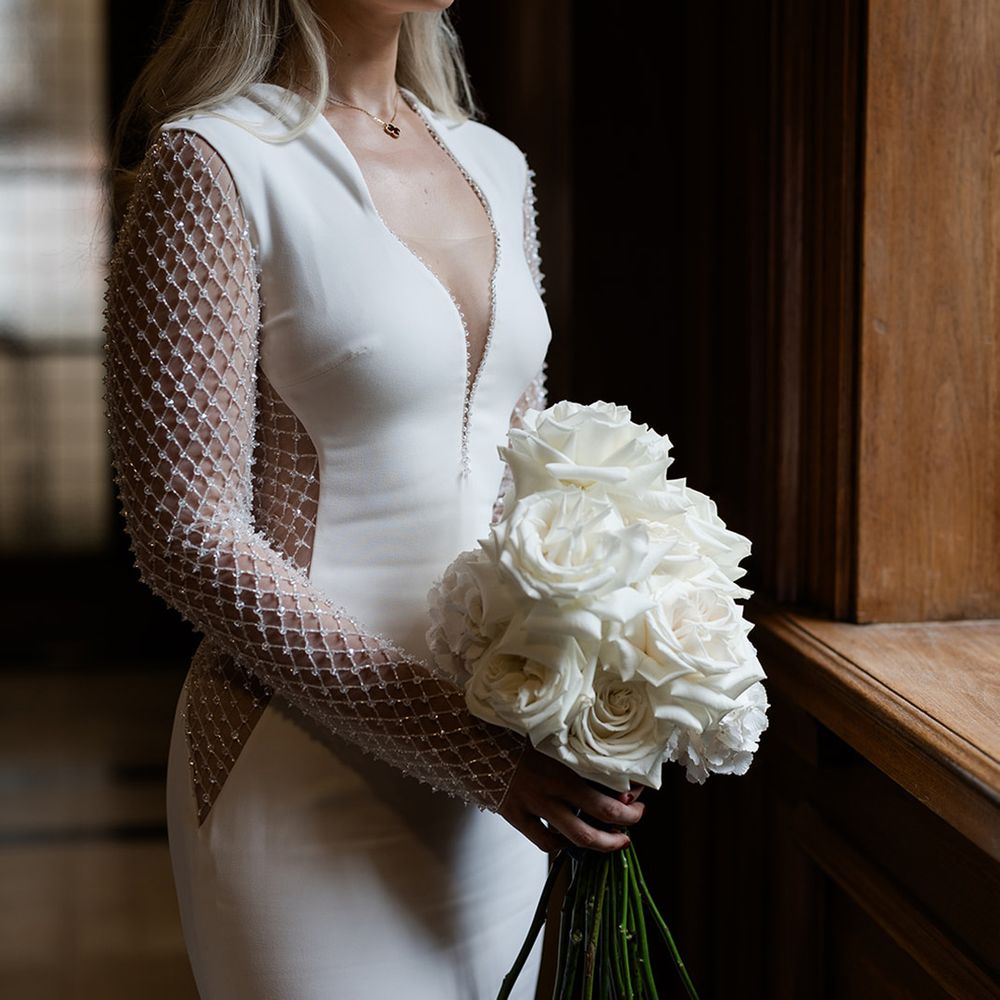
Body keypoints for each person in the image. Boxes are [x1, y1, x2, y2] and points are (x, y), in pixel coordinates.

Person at [102, 1, 646, 996]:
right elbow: (184, 533)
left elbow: (534, 482)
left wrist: (594, 680)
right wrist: (466, 747)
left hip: (503, 795)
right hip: (302, 777)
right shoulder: (217, 160)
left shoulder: (494, 162)